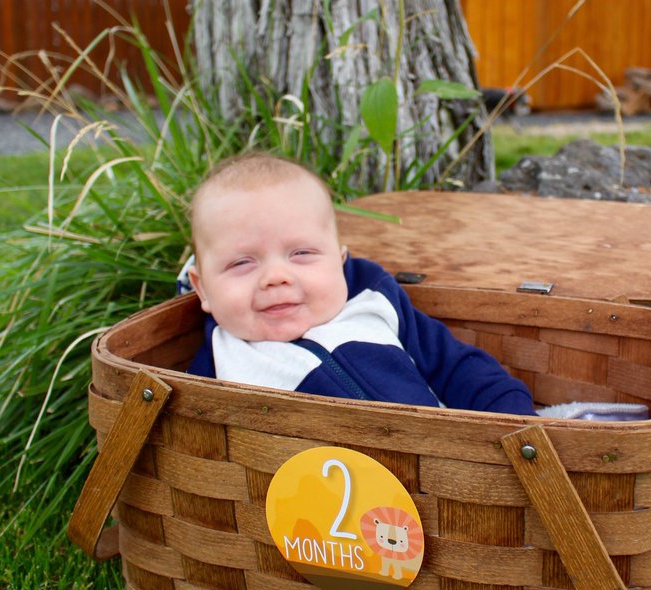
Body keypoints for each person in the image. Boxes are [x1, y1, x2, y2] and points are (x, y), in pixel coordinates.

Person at [183, 151, 536, 415]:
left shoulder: (374, 303)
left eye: (302, 253)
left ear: (339, 260)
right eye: (242, 262)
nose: (276, 277)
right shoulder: (219, 362)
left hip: (443, 466)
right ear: (203, 289)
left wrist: (511, 416)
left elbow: (457, 366)